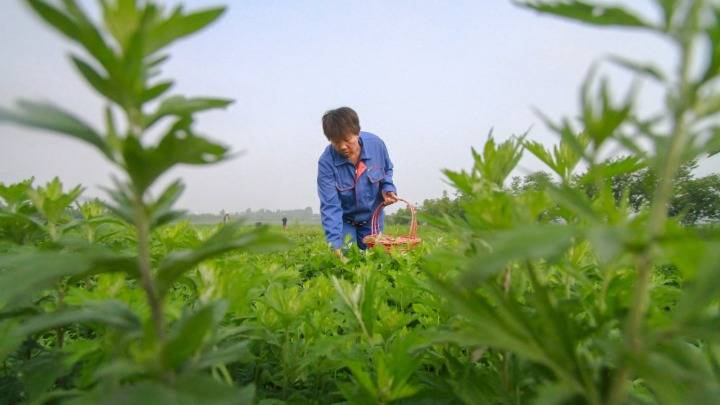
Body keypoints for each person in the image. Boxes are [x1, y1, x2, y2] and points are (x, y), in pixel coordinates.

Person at [317, 107, 398, 253]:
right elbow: (330, 206)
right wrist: (335, 244)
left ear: (357, 132)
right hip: (344, 221)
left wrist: (388, 188)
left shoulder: (376, 145)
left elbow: (387, 169)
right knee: (344, 254)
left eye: (347, 140)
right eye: (336, 142)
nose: (342, 146)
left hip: (372, 219)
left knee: (375, 257)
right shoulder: (326, 162)